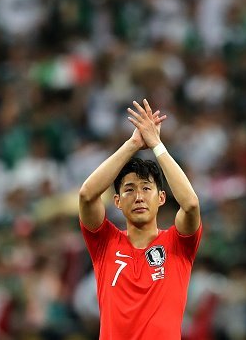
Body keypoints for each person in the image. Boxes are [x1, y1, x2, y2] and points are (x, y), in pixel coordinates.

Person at [78, 99, 202, 339]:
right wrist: (133, 143)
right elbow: (87, 194)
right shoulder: (104, 242)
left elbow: (191, 204)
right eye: (129, 190)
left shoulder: (178, 244)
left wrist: (156, 144)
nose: (138, 197)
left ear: (162, 198)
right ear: (117, 202)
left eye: (146, 189)